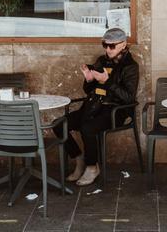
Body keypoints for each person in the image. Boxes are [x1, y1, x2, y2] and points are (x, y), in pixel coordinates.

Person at [53, 27, 139, 186]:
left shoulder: (130, 66)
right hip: (93, 106)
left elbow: (128, 98)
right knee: (59, 125)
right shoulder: (102, 60)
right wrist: (89, 79)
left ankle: (92, 167)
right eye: (105, 45)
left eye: (112, 46)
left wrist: (108, 81)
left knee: (88, 128)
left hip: (114, 110)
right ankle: (79, 160)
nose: (108, 49)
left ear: (123, 45)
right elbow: (88, 90)